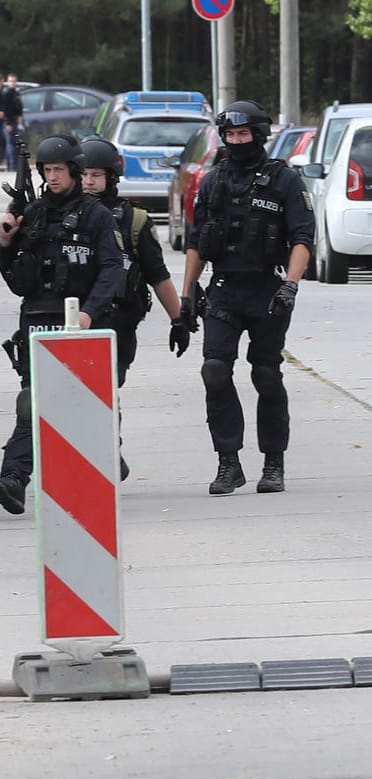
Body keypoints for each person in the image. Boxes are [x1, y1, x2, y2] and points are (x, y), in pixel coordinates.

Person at [0, 134, 125, 514]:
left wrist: (90, 312)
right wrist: (6, 242)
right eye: (46, 171)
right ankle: (13, 479)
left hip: (81, 321)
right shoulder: (33, 214)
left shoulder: (97, 216)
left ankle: (101, 463)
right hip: (37, 319)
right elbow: (17, 282)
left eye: (58, 169)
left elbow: (113, 269)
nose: (52, 177)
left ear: (75, 171)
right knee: (32, 402)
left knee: (83, 405)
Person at [179, 100, 315, 495]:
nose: (237, 141)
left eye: (244, 134)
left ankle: (273, 462)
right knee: (214, 371)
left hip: (268, 289)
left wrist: (291, 284)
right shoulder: (213, 181)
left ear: (258, 135)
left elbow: (303, 236)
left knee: (265, 373)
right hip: (224, 289)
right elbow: (195, 242)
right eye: (231, 134)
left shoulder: (283, 180)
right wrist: (187, 295)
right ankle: (229, 463)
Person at [77, 136, 184, 479]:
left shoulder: (134, 220)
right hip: (73, 319)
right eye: (83, 174)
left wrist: (179, 318)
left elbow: (157, 274)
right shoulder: (63, 216)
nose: (88, 182)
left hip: (117, 323)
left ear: (112, 176)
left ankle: (107, 448)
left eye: (96, 174)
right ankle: (98, 453)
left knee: (105, 388)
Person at [3, 74, 25, 171]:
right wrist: (8, 123)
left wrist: (20, 117)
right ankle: (11, 166)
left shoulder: (16, 93)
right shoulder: (7, 94)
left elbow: (19, 107)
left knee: (15, 144)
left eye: (14, 81)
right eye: (10, 81)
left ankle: (13, 164)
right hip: (10, 121)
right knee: (11, 144)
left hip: (16, 120)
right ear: (8, 82)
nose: (12, 83)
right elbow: (5, 110)